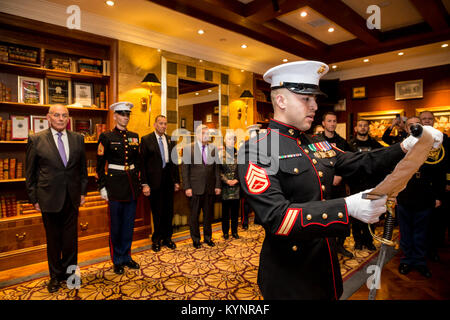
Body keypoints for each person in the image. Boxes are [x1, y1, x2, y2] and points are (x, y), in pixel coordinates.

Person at [237, 60, 443, 300]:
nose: (314, 106)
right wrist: (347, 208)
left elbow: (360, 162)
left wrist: (406, 146)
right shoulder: (258, 149)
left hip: (324, 259)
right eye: (306, 99)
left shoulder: (316, 143)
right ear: (281, 101)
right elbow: (276, 217)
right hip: (289, 271)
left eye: (315, 98)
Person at [25, 104, 88, 293]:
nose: (61, 119)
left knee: (70, 241)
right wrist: (34, 198)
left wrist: (83, 192)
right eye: (57, 115)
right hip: (48, 198)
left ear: (68, 119)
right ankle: (55, 276)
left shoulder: (78, 139)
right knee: (53, 241)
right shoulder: (36, 139)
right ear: (48, 117)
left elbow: (82, 170)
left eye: (64, 116)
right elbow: (30, 173)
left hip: (72, 197)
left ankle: (70, 275)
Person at [396, 116, 445, 278]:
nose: (413, 128)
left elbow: (439, 173)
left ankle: (420, 261)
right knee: (405, 232)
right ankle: (406, 260)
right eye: (410, 126)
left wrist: (438, 196)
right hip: (404, 196)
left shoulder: (432, 147)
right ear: (406, 129)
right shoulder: (400, 147)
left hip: (425, 197)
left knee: (421, 232)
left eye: (416, 125)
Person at [97, 102, 141, 275]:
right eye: (122, 114)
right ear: (115, 116)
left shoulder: (134, 136)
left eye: (127, 115)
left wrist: (139, 181)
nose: (125, 117)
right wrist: (102, 187)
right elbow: (100, 165)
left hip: (131, 187)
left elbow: (137, 161)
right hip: (114, 186)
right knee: (116, 225)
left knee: (128, 225)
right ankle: (117, 259)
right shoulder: (106, 137)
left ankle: (127, 257)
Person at [140, 115, 180, 252]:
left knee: (168, 211)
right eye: (161, 123)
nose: (163, 126)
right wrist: (144, 184)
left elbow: (174, 162)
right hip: (154, 182)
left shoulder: (170, 140)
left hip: (168, 180)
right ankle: (156, 239)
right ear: (155, 124)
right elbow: (142, 165)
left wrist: (176, 181)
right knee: (157, 212)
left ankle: (168, 238)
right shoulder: (146, 140)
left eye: (165, 124)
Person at [319, 112, 353, 258]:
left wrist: (341, 175)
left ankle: (340, 245)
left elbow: (349, 162)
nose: (332, 124)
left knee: (341, 215)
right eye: (329, 121)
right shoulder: (316, 141)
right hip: (321, 185)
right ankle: (326, 246)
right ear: (323, 123)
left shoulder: (342, 142)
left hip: (338, 185)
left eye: (334, 121)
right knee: (323, 217)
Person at [182, 125, 221, 248]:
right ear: (198, 134)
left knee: (208, 215)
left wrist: (218, 185)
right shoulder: (188, 148)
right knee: (194, 216)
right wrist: (187, 187)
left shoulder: (213, 148)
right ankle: (196, 239)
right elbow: (185, 169)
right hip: (194, 188)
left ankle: (208, 238)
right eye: (204, 133)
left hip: (209, 188)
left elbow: (216, 169)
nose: (207, 135)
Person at [347, 119, 384, 251]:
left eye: (365, 126)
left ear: (368, 128)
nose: (363, 128)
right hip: (355, 184)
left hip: (371, 184)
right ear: (356, 128)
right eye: (360, 125)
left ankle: (369, 241)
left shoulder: (375, 144)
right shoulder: (349, 145)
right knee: (356, 213)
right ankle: (357, 241)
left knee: (371, 212)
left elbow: (382, 161)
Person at [419, 111, 449, 262]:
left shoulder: (445, 139)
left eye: (430, 119)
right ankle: (420, 250)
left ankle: (433, 250)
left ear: (434, 121)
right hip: (420, 186)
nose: (427, 121)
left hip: (438, 186)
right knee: (421, 222)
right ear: (420, 121)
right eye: (424, 119)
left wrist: (448, 182)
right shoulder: (415, 139)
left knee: (437, 221)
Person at [220, 131, 240, 240]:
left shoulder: (240, 154)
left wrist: (237, 179)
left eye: (232, 139)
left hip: (237, 186)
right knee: (225, 212)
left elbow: (242, 169)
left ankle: (235, 231)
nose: (230, 141)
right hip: (225, 186)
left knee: (235, 212)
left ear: (235, 141)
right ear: (224, 141)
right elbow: (218, 171)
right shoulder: (220, 155)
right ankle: (225, 232)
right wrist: (226, 181)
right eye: (228, 139)